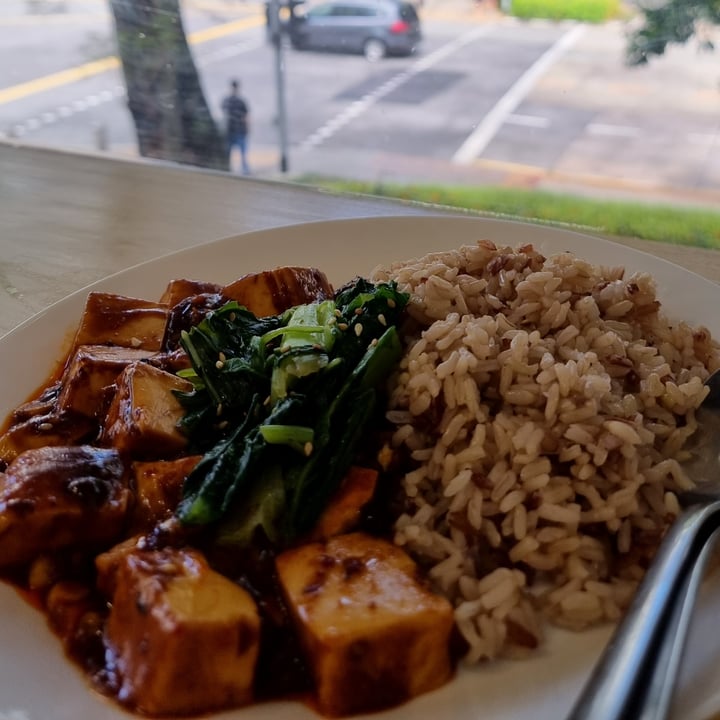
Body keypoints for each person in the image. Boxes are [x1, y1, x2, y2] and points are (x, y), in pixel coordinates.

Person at [222, 79, 250, 175]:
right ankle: (229, 168)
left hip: (238, 131)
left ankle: (244, 169)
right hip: (232, 131)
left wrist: (247, 128)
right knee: (232, 152)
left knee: (242, 153)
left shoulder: (239, 101)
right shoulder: (228, 101)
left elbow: (245, 116)